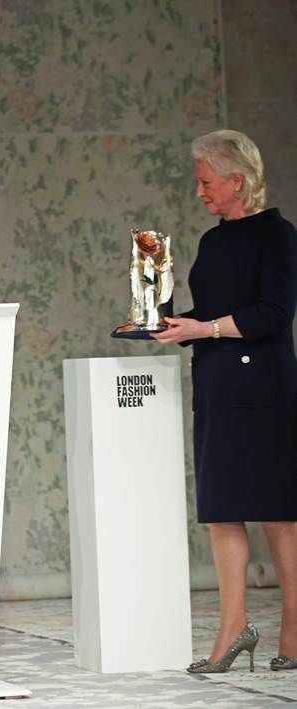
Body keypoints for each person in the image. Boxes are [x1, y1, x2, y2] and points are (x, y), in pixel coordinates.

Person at [152, 129, 297, 673]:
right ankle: (234, 628)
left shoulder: (277, 235)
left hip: (264, 388)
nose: (200, 192)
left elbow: (274, 315)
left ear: (238, 180)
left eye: (206, 181)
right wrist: (164, 316)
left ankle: (294, 626)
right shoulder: (214, 241)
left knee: (279, 511)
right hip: (217, 383)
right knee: (223, 511)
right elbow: (209, 313)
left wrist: (206, 328)